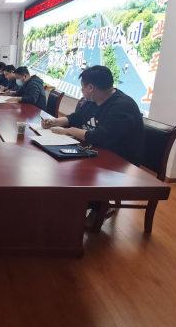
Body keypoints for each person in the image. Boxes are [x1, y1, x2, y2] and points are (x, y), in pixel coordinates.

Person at [41, 65, 144, 227]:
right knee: (59, 166)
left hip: (118, 162)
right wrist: (55, 121)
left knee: (70, 174)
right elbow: (76, 117)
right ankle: (82, 205)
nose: (81, 91)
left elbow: (101, 137)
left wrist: (70, 131)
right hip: (95, 151)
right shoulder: (92, 101)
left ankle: (99, 205)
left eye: (82, 87)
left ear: (90, 87)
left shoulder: (122, 106)